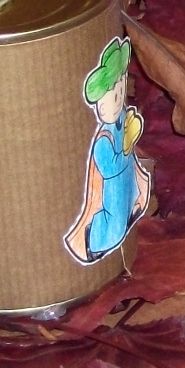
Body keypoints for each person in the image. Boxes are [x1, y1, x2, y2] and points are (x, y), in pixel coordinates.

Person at [65, 35, 151, 264]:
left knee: (122, 216)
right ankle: (93, 242)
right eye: (114, 95)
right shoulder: (103, 140)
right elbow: (110, 168)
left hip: (121, 191)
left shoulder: (120, 119)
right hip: (109, 200)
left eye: (121, 90)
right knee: (112, 229)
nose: (119, 98)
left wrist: (129, 138)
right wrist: (126, 146)